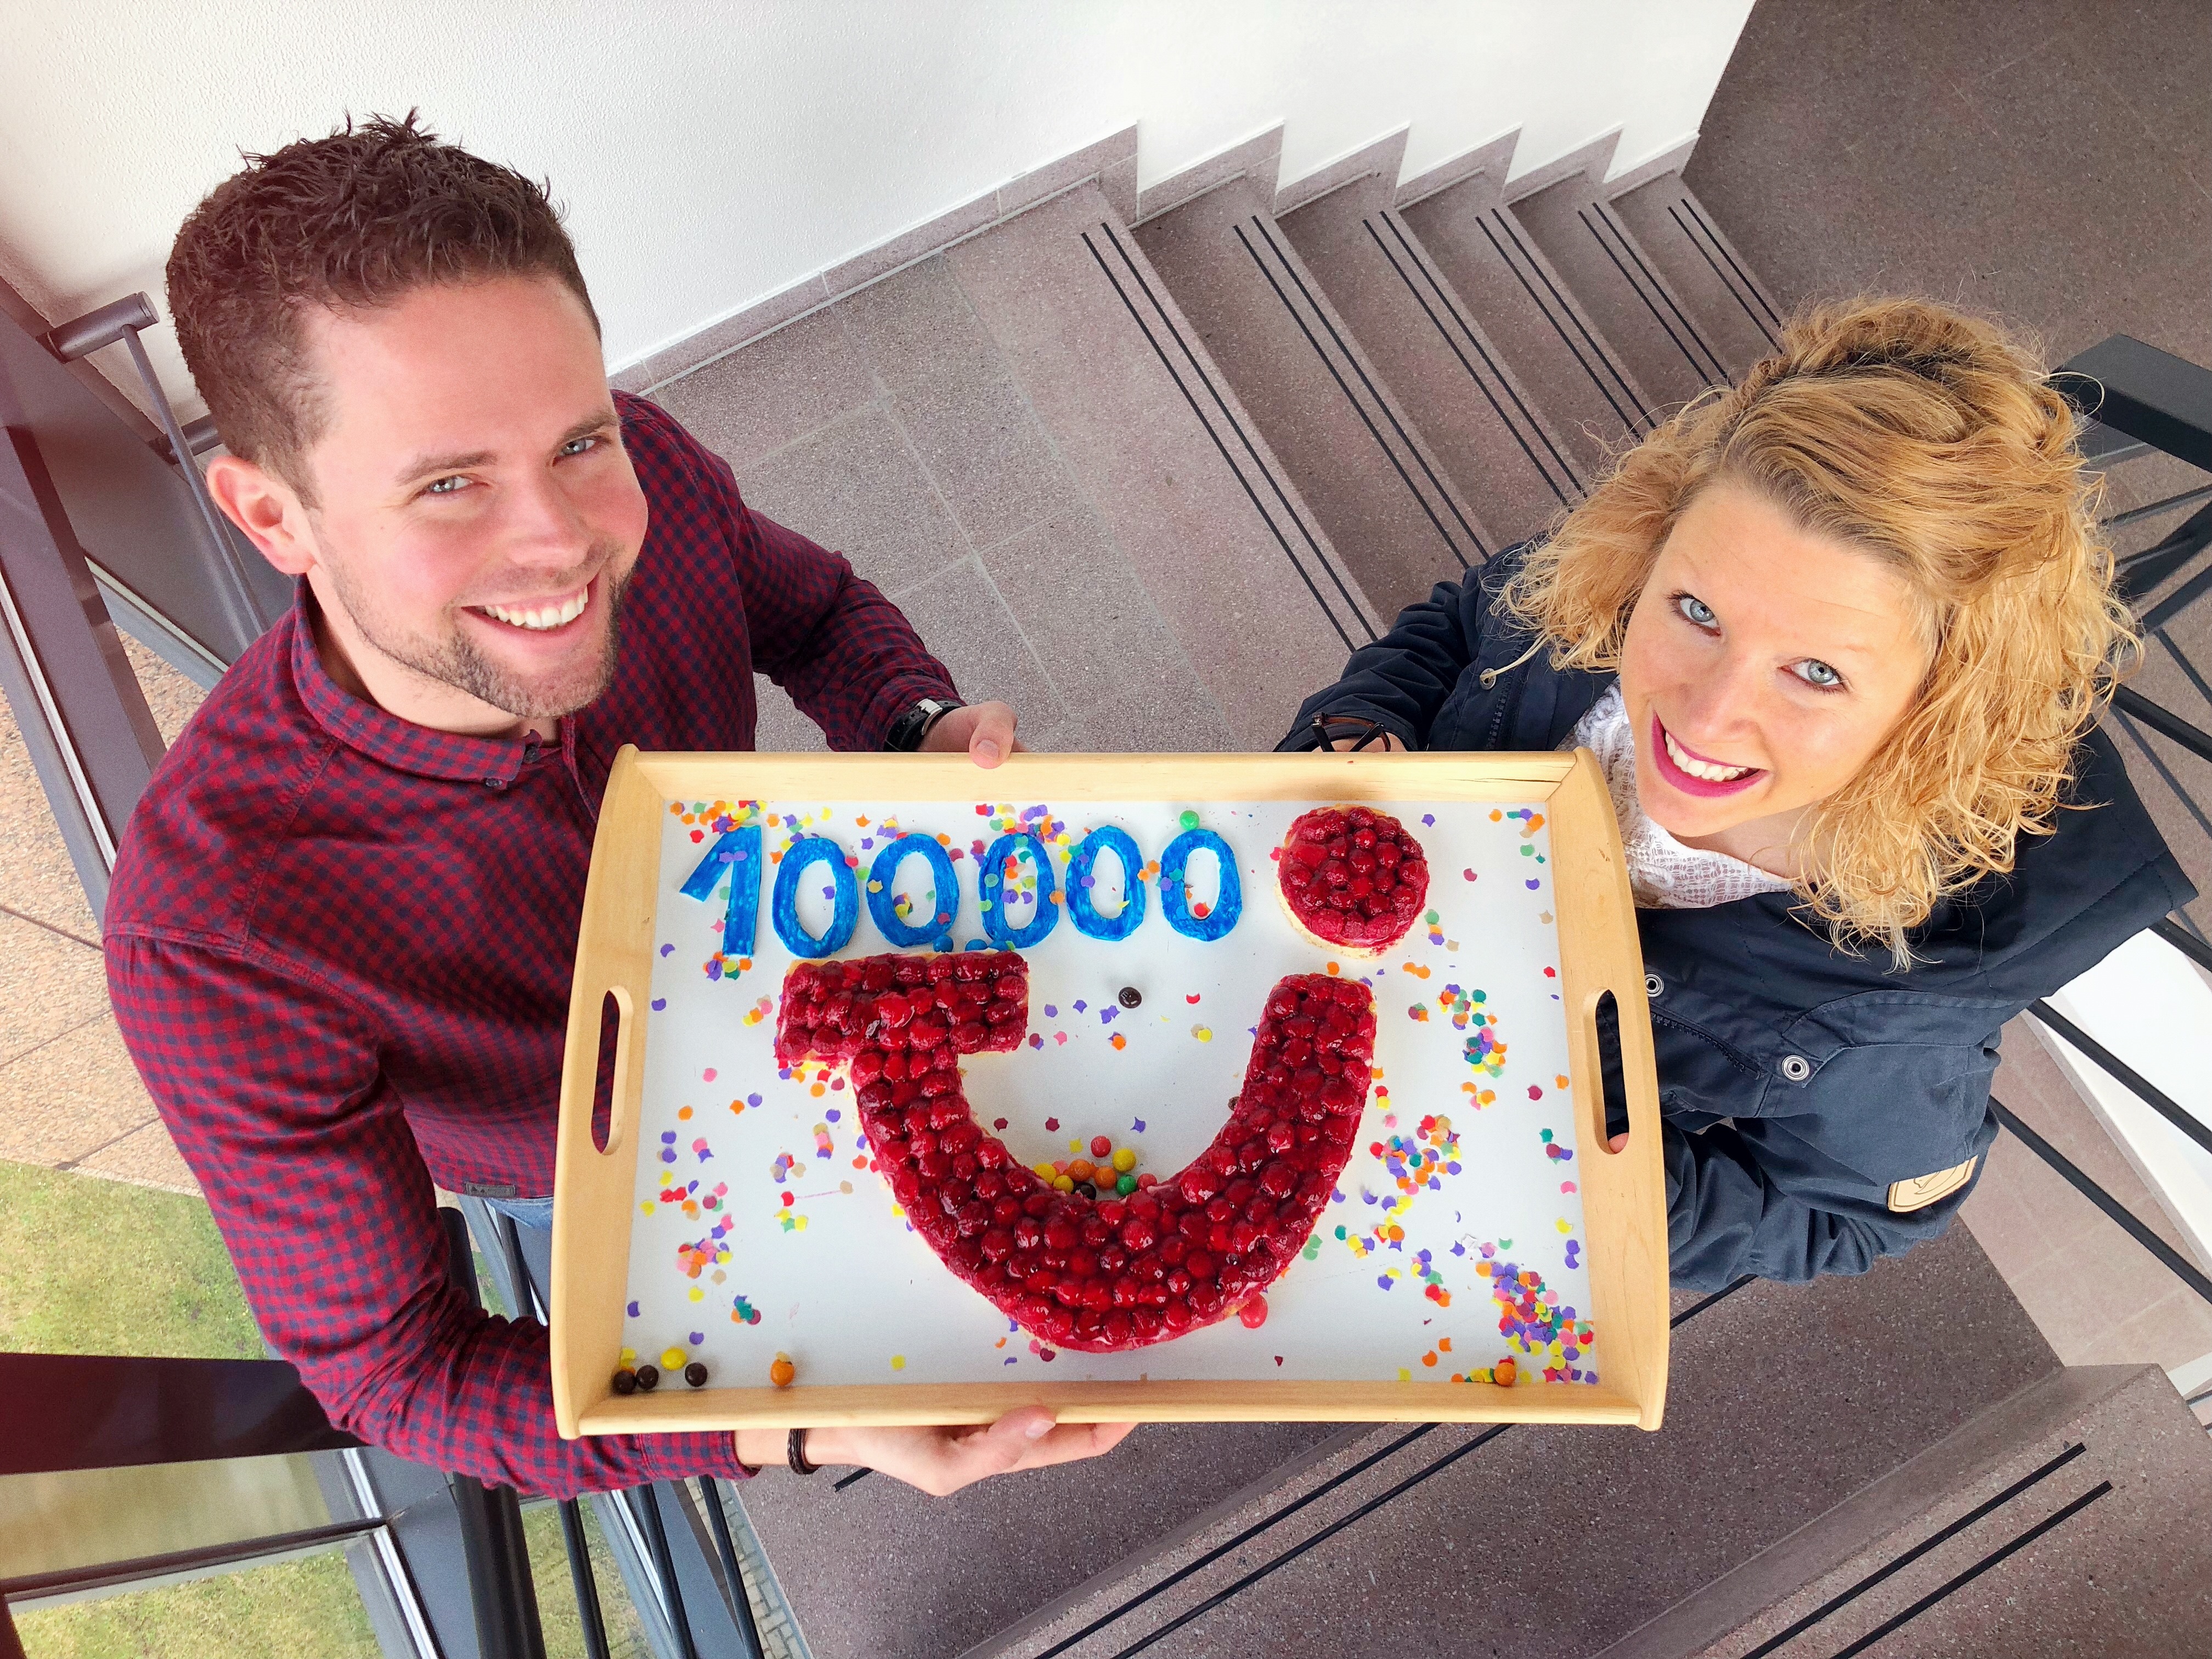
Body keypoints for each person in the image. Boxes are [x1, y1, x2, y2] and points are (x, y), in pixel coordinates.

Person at [104, 115, 1132, 1499]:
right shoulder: (209, 938)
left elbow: (816, 610)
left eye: (576, 440)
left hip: (825, 971)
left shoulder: (650, 468)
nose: (565, 541)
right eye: (449, 483)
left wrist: (912, 726)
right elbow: (399, 1370)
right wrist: (794, 1427)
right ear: (274, 517)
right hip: (593, 1158)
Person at [1283, 296, 2193, 1289]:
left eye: (1817, 673)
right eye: (1696, 610)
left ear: (1934, 709)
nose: (1706, 720)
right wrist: (1352, 739)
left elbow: (1848, 1220)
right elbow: (1464, 624)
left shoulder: (1897, 1012)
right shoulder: (1605, 588)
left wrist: (1597, 1189)